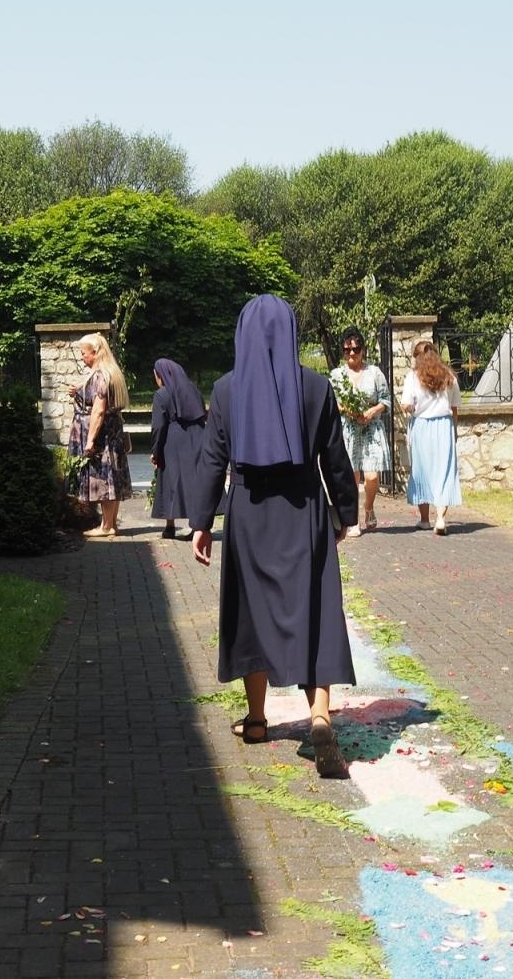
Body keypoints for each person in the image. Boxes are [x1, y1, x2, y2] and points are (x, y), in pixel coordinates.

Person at [189, 295, 357, 779]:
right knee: (315, 613)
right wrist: (343, 513)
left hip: (248, 516)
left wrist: (201, 522)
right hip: (304, 513)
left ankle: (258, 720)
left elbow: (210, 461)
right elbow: (336, 460)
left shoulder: (224, 390)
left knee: (250, 615)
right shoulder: (317, 388)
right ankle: (320, 715)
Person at [66, 333, 132, 537]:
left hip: (102, 436)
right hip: (113, 432)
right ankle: (110, 524)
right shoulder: (111, 372)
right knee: (114, 476)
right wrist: (79, 391)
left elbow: (99, 409)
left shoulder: (100, 375)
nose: (82, 357)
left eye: (83, 353)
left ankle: (105, 526)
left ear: (94, 353)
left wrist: (90, 440)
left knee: (105, 479)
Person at [330, 328, 391, 536]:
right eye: (347, 350)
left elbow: (386, 400)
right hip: (349, 428)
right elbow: (333, 403)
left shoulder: (374, 373)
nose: (352, 354)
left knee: (372, 476)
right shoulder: (337, 376)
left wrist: (372, 411)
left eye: (355, 349)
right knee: (352, 477)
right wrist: (350, 411)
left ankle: (369, 507)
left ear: (362, 350)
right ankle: (353, 519)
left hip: (371, 429)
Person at [400, 340, 461, 535]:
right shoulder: (449, 376)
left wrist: (412, 407)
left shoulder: (413, 377)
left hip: (422, 426)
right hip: (444, 425)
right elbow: (454, 407)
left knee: (422, 471)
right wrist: (455, 429)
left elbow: (406, 404)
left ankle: (425, 519)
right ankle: (441, 518)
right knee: (444, 470)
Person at [149, 357, 211, 538]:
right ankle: (196, 527)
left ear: (161, 375)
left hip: (173, 441)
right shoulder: (193, 391)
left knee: (170, 481)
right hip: (197, 438)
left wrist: (155, 451)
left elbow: (158, 426)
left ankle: (170, 526)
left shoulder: (162, 395)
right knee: (194, 482)